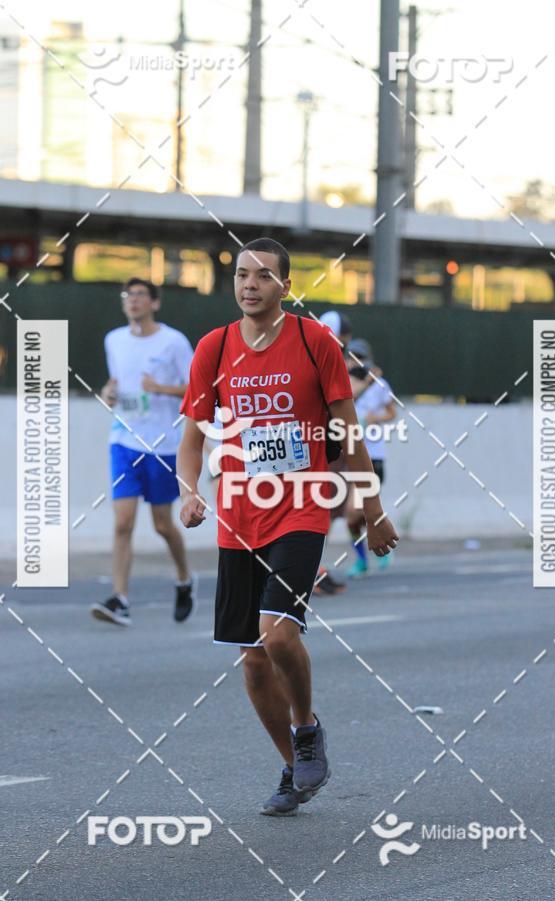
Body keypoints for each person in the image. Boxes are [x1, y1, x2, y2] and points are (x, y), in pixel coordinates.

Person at [177, 237, 398, 816]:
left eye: (263, 276)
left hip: (301, 504)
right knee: (252, 658)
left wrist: (371, 511)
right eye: (242, 275)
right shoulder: (214, 348)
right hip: (239, 516)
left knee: (278, 634)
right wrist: (189, 490)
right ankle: (292, 767)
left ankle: (306, 728)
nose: (250, 284)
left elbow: (348, 433)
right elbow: (193, 435)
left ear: (286, 287)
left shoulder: (314, 341)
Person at [91, 277, 195, 627]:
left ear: (154, 303)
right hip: (123, 439)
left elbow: (196, 390)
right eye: (127, 295)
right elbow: (117, 381)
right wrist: (108, 391)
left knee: (163, 524)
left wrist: (161, 388)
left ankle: (184, 579)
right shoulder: (114, 340)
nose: (132, 301)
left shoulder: (174, 341)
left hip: (162, 444)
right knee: (123, 522)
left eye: (139, 295)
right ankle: (120, 599)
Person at [346, 338, 397, 577]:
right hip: (350, 457)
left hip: (372, 457)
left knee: (356, 511)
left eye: (359, 357)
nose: (354, 361)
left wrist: (376, 418)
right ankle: (362, 560)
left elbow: (391, 412)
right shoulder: (346, 383)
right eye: (351, 356)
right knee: (351, 519)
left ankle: (382, 543)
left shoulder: (380, 384)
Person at [313, 309, 353, 595]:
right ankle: (312, 570)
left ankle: (312, 568)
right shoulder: (332, 359)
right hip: (324, 449)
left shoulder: (308, 351)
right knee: (321, 509)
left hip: (321, 446)